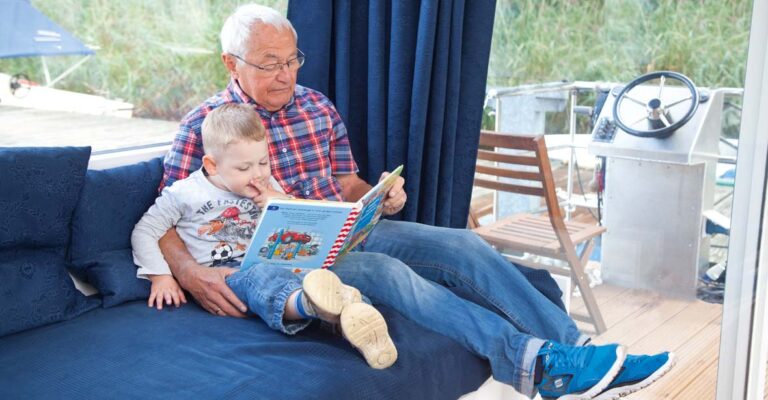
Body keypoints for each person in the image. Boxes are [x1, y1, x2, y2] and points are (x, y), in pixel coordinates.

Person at [157, 4, 675, 399]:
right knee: (387, 273)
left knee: (462, 246)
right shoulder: (205, 127)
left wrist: (378, 197)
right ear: (231, 62)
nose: (286, 75)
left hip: (344, 229)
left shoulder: (316, 105)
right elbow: (164, 217)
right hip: (285, 258)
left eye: (292, 59)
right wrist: (188, 272)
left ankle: (580, 356)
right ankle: (540, 366)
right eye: (269, 64)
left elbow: (345, 182)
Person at [132, 103, 398, 370]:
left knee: (324, 278)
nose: (258, 174)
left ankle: (361, 321)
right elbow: (145, 229)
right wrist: (160, 276)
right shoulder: (184, 193)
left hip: (279, 262)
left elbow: (297, 224)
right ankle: (308, 303)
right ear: (212, 165)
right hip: (229, 275)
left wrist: (280, 200)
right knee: (263, 277)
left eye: (263, 162)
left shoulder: (268, 186)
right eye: (244, 167)